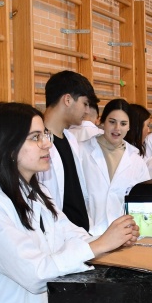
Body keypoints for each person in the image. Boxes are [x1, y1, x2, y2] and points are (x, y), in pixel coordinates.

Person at [0, 102, 139, 303]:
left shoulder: (37, 190)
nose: (47, 145)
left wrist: (114, 239)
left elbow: (71, 234)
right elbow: (35, 273)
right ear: (7, 145)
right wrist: (100, 245)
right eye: (35, 138)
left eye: (45, 135)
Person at [39, 70, 98, 232]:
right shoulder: (38, 144)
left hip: (80, 235)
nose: (87, 111)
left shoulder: (70, 139)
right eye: (85, 104)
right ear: (67, 100)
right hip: (58, 237)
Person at [81, 100, 151, 235]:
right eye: (112, 122)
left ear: (129, 126)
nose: (117, 128)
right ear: (102, 122)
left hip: (123, 237)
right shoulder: (82, 151)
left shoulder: (136, 160)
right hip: (88, 235)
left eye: (123, 124)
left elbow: (143, 202)